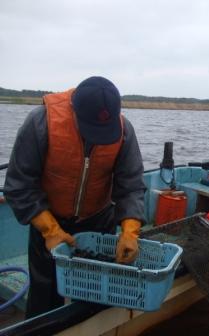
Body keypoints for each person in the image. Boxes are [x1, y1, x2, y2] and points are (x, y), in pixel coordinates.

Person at [4, 76, 147, 318]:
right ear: (73, 111)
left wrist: (130, 232)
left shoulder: (125, 130)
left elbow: (131, 186)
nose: (96, 137)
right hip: (48, 222)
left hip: (99, 222)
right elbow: (19, 185)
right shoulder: (40, 121)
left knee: (95, 300)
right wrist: (50, 231)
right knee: (44, 303)